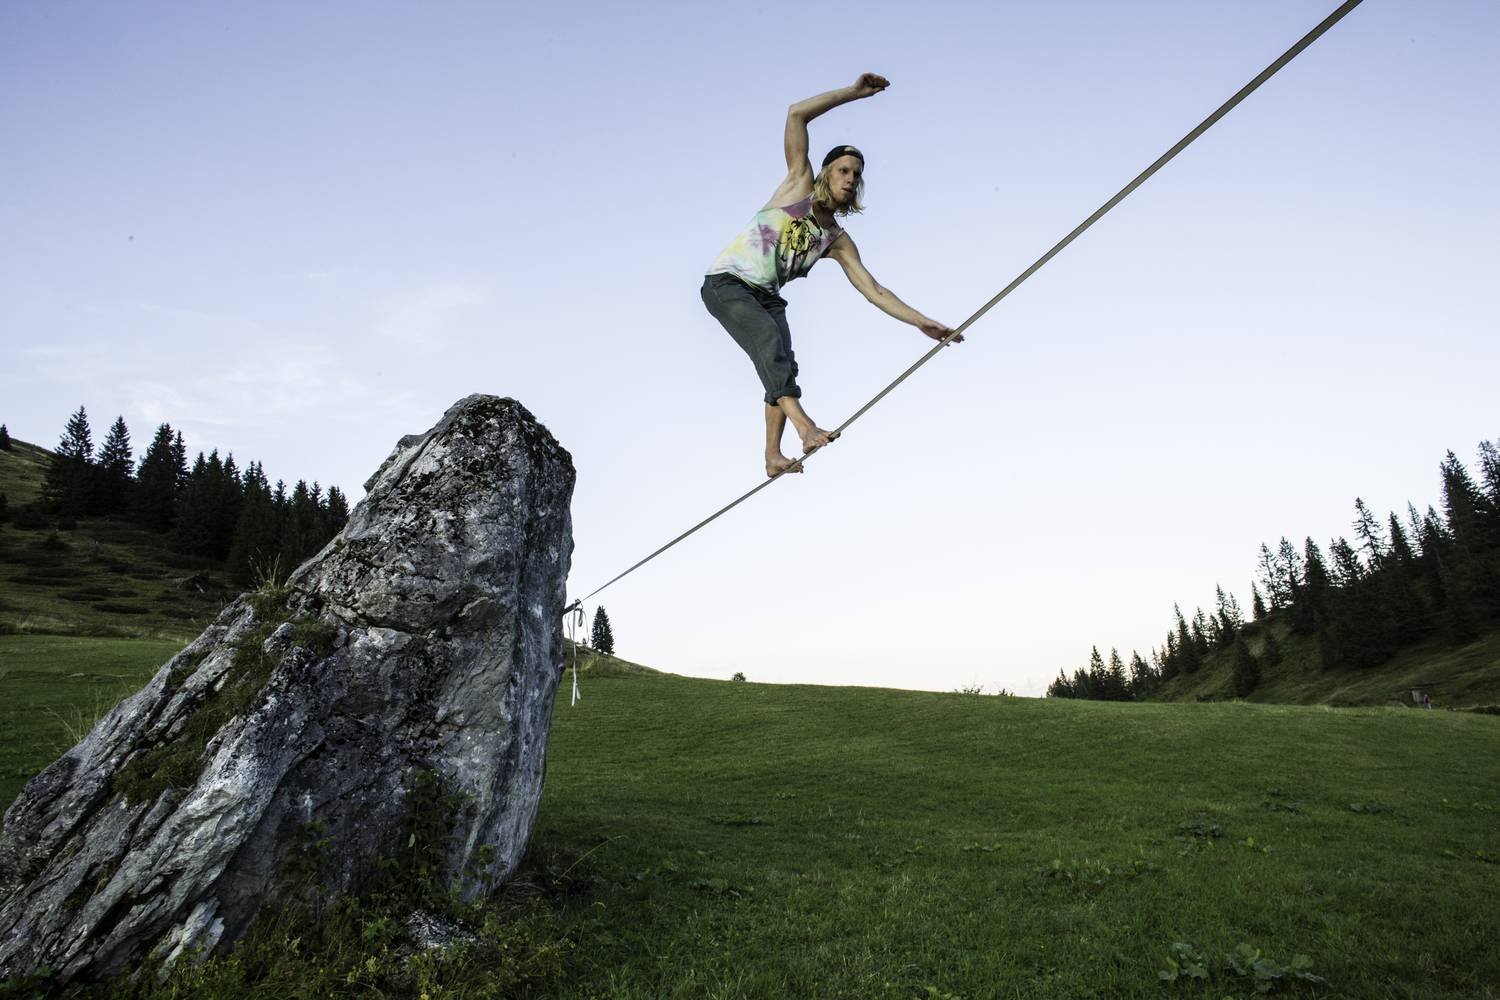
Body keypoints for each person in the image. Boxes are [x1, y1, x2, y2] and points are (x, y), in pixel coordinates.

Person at [701, 73, 958, 477]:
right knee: (769, 345)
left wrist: (922, 322)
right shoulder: (798, 185)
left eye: (856, 174)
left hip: (766, 296)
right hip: (727, 283)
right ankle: (805, 427)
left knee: (784, 364)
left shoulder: (836, 239)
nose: (850, 179)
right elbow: (796, 114)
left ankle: (772, 456)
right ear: (825, 173)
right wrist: (854, 94)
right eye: (842, 170)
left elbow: (873, 289)